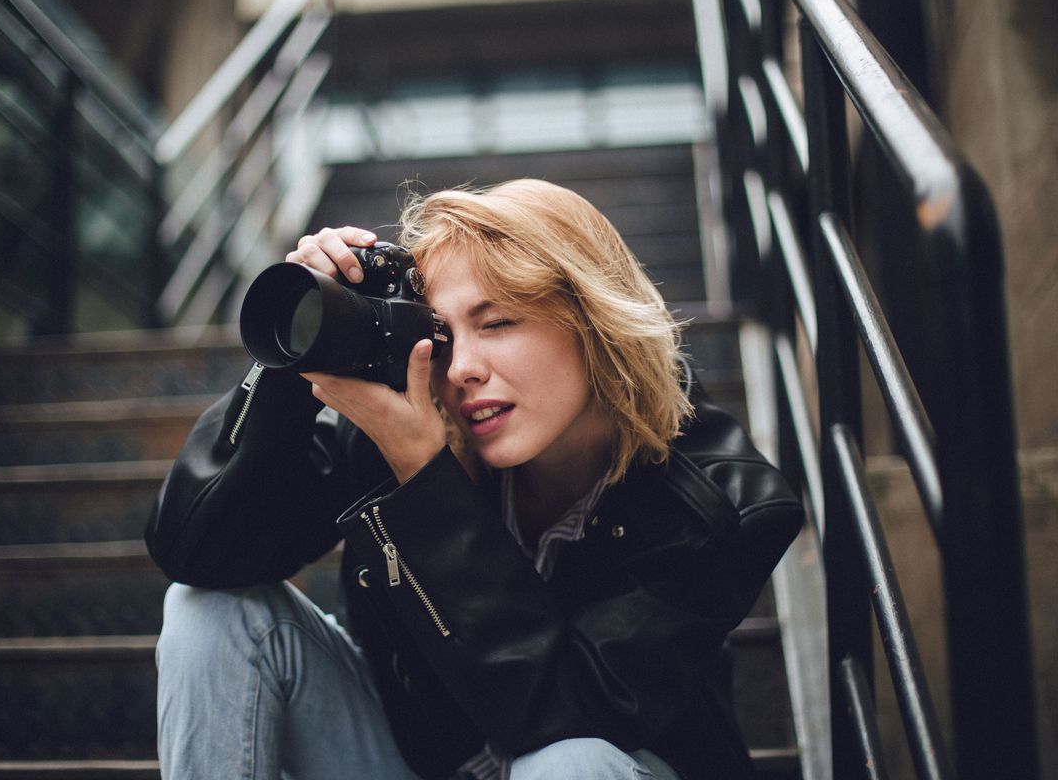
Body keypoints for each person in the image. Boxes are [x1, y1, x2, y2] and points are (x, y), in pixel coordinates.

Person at [145, 179, 803, 780]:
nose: (461, 369)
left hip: (600, 766)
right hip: (415, 760)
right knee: (206, 612)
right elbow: (199, 551)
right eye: (445, 336)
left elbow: (566, 712)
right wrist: (298, 352)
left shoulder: (720, 506)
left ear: (597, 321)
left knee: (569, 766)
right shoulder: (412, 411)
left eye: (497, 323)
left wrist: (426, 485)